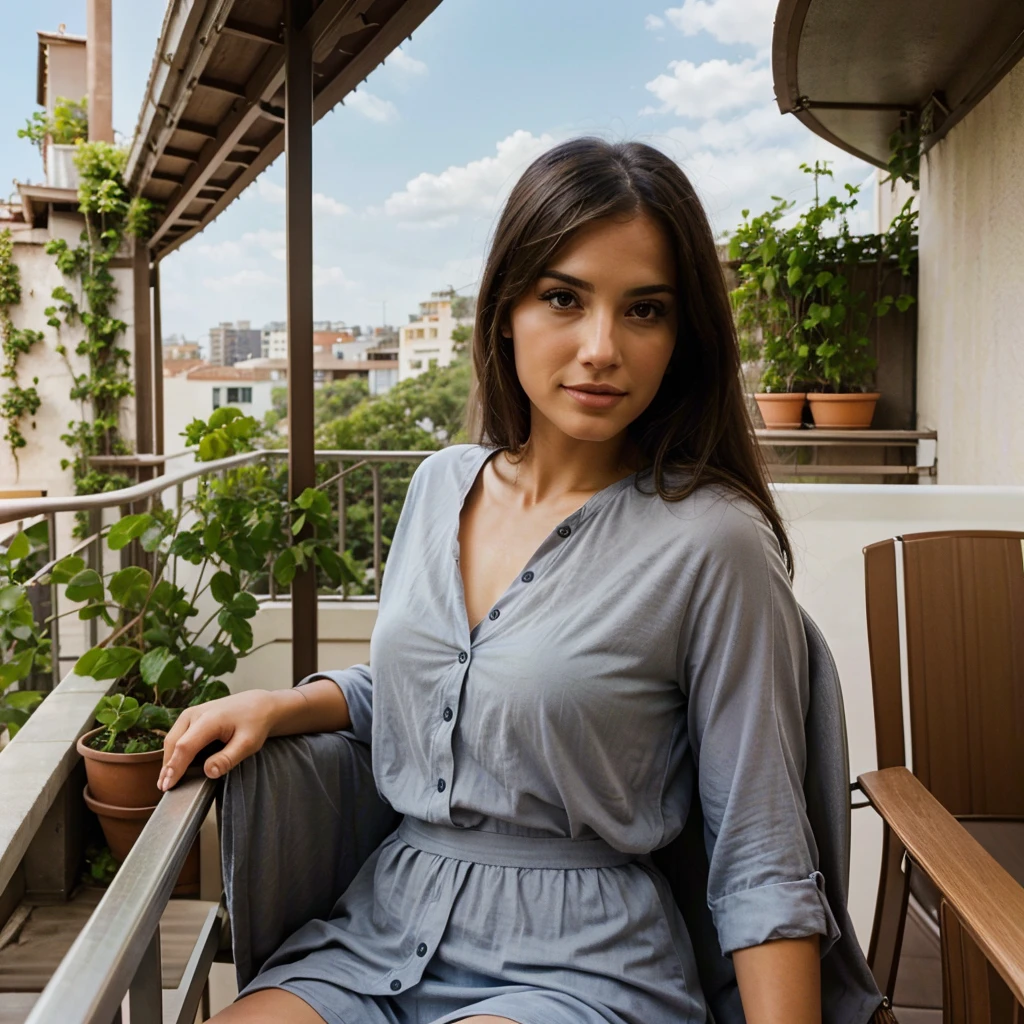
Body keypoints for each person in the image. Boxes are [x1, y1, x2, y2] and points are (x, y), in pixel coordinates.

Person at [159, 138, 887, 1024]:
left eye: (644, 310)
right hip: (384, 928)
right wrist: (286, 706)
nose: (600, 348)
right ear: (506, 309)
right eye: (563, 298)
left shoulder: (714, 544)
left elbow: (760, 845)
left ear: (682, 337)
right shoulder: (438, 488)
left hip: (581, 964)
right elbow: (450, 701)